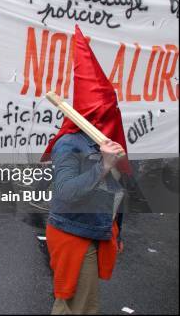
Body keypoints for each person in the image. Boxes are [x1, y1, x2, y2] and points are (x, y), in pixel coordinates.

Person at [42, 25, 129, 315]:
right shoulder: (69, 144)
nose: (113, 115)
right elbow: (65, 192)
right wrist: (103, 166)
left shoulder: (104, 141)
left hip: (94, 230)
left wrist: (119, 231)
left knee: (76, 304)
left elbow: (117, 189)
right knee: (77, 306)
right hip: (72, 234)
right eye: (107, 110)